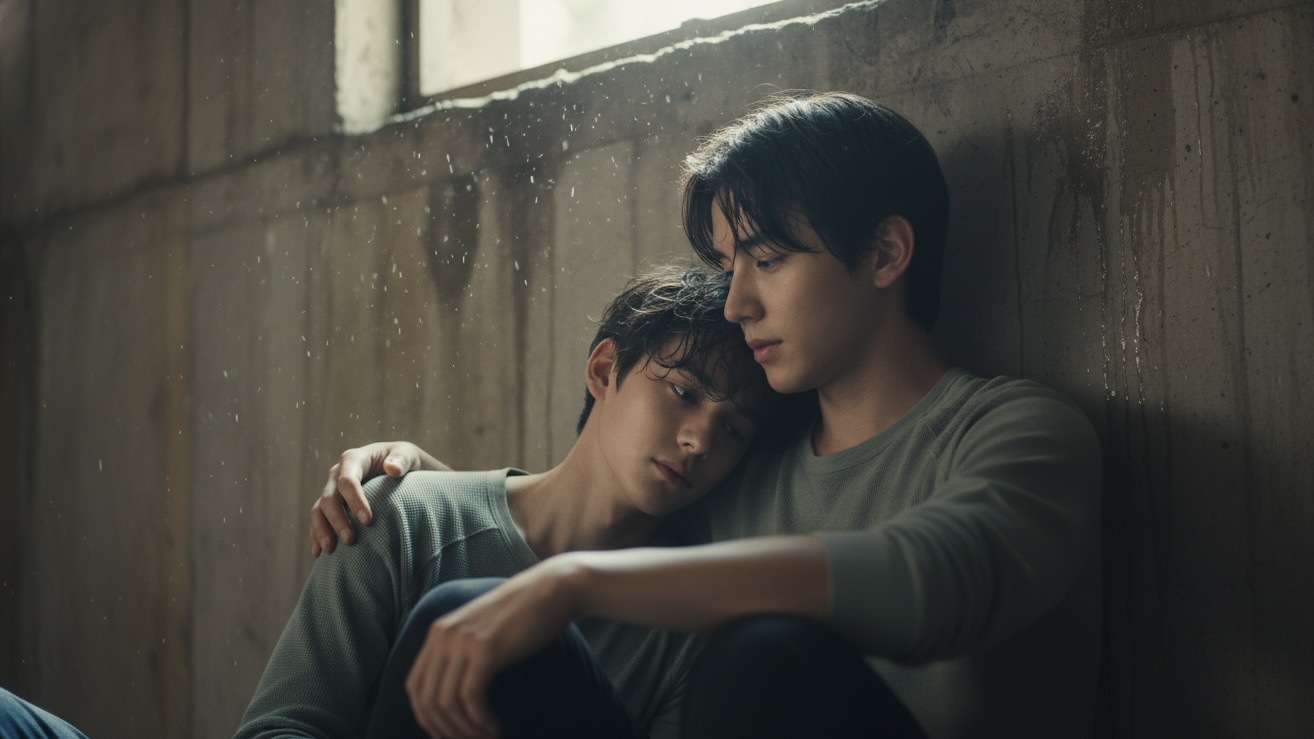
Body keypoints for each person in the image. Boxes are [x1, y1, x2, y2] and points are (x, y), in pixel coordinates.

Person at [315, 91, 1103, 738]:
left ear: (887, 254)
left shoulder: (1024, 434)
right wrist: (414, 492)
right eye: (730, 266)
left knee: (763, 656)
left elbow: (931, 582)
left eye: (768, 259)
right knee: (463, 611)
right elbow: (581, 509)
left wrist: (574, 582)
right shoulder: (741, 467)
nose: (737, 301)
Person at [237, 264, 792, 738]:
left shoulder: (688, 627)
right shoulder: (402, 516)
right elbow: (283, 726)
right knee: (456, 611)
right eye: (683, 392)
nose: (700, 440)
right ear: (603, 370)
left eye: (734, 431)